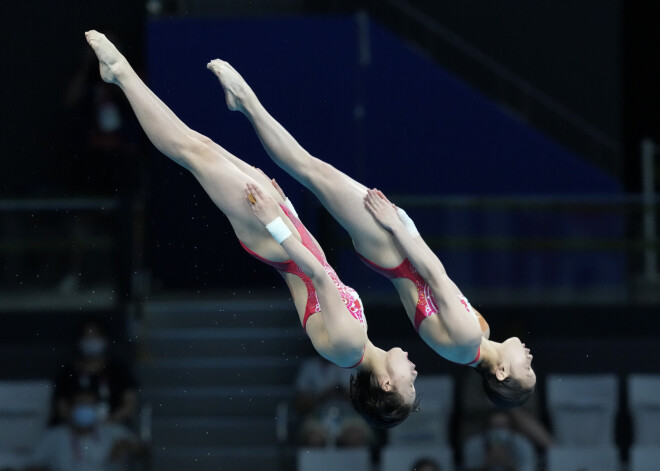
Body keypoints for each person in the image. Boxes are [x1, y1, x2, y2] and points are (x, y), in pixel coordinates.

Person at [83, 31, 419, 429]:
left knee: (193, 154)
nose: (414, 373)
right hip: (285, 237)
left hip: (274, 241)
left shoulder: (348, 348)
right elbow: (322, 268)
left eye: (408, 385)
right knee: (202, 146)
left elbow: (314, 275)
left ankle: (120, 73)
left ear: (383, 383)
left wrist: (274, 221)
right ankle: (137, 78)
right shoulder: (358, 342)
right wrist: (289, 211)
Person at [205, 58, 535, 409]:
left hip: (394, 248)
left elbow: (435, 275)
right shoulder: (475, 339)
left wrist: (396, 227)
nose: (530, 356)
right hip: (400, 248)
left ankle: (245, 102)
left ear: (501, 371)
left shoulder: (469, 339)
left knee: (309, 169)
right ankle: (244, 105)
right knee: (311, 170)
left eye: (526, 368)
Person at [24, 384, 144, 471]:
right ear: (71, 408)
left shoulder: (112, 431)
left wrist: (126, 444)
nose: (85, 408)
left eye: (89, 404)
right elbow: (32, 465)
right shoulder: (55, 435)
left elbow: (143, 450)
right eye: (81, 404)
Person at [52, 318, 138, 426]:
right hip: (73, 430)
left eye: (95, 336)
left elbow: (129, 404)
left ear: (104, 339)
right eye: (87, 336)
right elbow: (61, 407)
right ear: (79, 340)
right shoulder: (68, 372)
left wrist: (109, 421)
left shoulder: (118, 370)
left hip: (111, 427)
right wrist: (79, 424)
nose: (91, 341)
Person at [462, 411, 537, 471]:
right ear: (486, 429)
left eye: (503, 426)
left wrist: (508, 464)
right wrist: (487, 464)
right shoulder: (474, 444)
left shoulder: (523, 444)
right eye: (494, 426)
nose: (499, 431)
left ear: (511, 429)